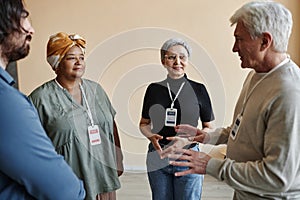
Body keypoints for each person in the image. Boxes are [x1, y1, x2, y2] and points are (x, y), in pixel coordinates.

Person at [166, 1, 300, 199]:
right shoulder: (257, 74)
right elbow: (242, 129)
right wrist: (207, 136)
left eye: (239, 39)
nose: (234, 48)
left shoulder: (289, 93)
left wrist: (209, 164)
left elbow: (278, 178)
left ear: (265, 41)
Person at [0, 1, 86, 199]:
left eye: (81, 57)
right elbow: (65, 191)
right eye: (22, 17)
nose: (31, 29)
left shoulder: (95, 91)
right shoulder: (12, 102)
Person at [29, 32, 123, 200]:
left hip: (102, 175)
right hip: (68, 179)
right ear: (57, 63)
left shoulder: (96, 90)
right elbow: (31, 143)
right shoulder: (40, 98)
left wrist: (118, 158)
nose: (79, 62)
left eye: (81, 57)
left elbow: (111, 123)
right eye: (71, 58)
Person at [139, 38, 215, 200]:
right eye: (171, 57)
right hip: (158, 156)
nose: (177, 62)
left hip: (188, 156)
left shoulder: (199, 89)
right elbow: (144, 124)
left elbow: (209, 127)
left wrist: (188, 139)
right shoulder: (154, 89)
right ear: (163, 61)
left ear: (187, 60)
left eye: (182, 57)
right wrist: (150, 136)